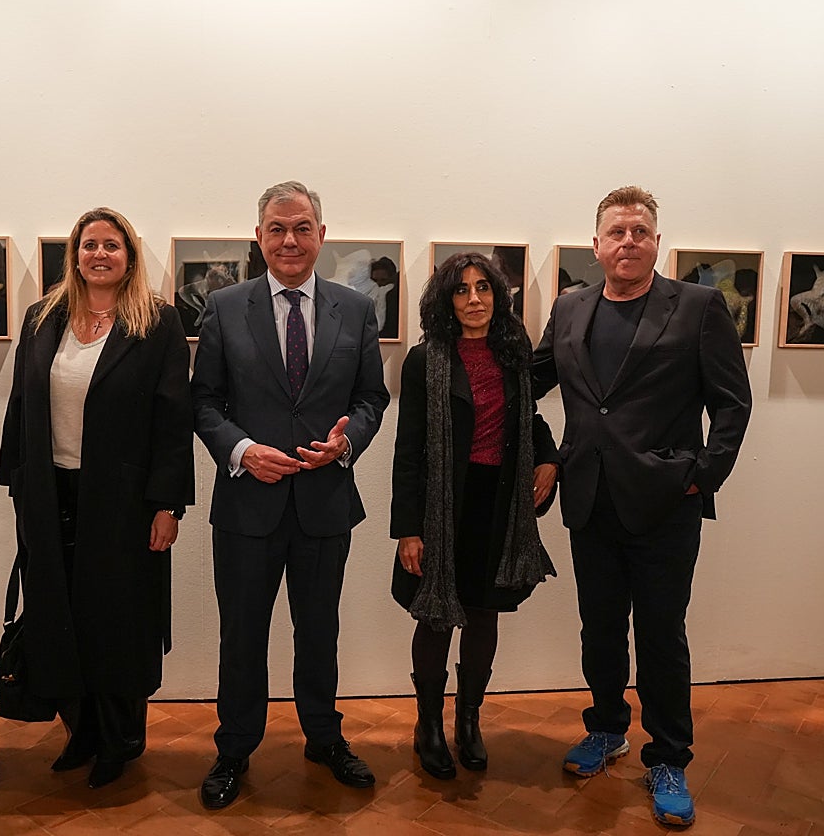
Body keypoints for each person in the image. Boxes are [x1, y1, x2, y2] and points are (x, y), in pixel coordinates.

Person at [533, 186, 751, 827]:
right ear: (595, 244)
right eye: (616, 232)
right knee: (598, 627)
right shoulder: (571, 308)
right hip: (590, 500)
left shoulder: (700, 307)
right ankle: (606, 727)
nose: (628, 242)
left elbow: (732, 406)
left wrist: (698, 478)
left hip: (665, 505)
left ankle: (669, 757)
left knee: (660, 635)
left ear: (657, 241)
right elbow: (528, 383)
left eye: (640, 231)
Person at [191, 181, 390, 809]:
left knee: (320, 630)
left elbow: (371, 399)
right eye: (277, 228)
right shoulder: (224, 308)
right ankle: (234, 747)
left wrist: (348, 441)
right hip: (248, 503)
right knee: (242, 632)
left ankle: (323, 737)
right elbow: (203, 402)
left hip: (325, 501)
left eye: (302, 227)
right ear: (259, 237)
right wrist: (243, 451)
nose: (289, 240)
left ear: (322, 236)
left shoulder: (354, 310)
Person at [0, 207, 194, 789]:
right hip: (49, 489)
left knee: (118, 619)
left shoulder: (156, 322)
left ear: (130, 256)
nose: (99, 254)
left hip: (125, 500)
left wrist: (167, 504)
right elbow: (20, 406)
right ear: (74, 254)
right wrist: (16, 483)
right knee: (59, 614)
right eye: (89, 245)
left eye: (112, 245)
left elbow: (172, 419)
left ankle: (120, 739)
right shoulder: (42, 317)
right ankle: (79, 729)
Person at [391, 252, 559, 778]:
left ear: (497, 296)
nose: (474, 300)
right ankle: (428, 725)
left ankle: (468, 720)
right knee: (437, 617)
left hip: (500, 504)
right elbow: (409, 448)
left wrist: (550, 457)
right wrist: (409, 529)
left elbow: (526, 417)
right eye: (461, 291)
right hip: (447, 504)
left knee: (484, 613)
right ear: (447, 300)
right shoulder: (425, 360)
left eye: (483, 288)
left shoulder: (514, 352)